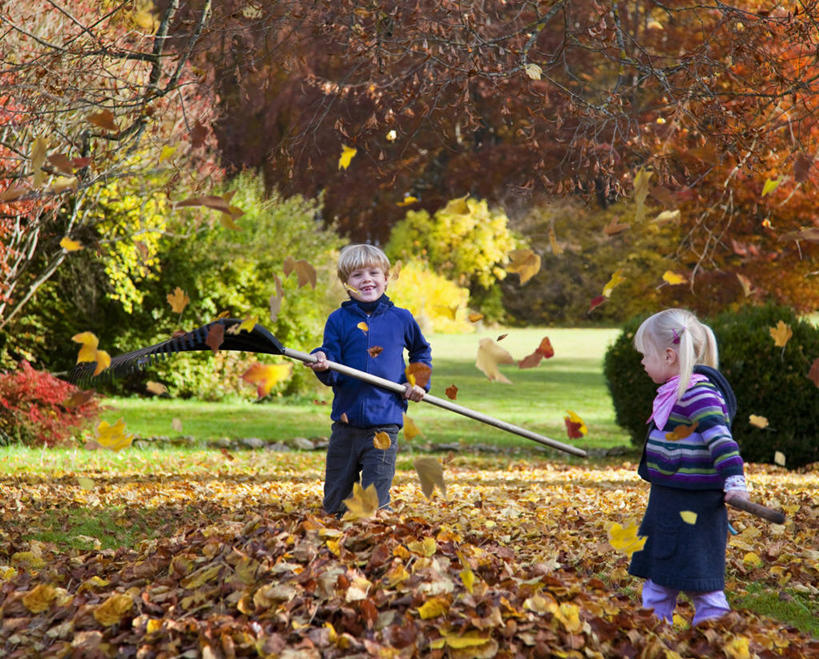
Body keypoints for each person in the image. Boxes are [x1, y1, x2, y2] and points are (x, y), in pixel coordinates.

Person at [628, 308, 749, 626]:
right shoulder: (675, 393)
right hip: (667, 501)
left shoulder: (699, 394)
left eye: (646, 355)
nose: (642, 362)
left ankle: (715, 636)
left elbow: (722, 442)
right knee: (658, 577)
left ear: (668, 355)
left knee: (702, 583)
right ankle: (654, 635)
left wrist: (735, 482)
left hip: (695, 506)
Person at [307, 244, 431, 516]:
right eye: (357, 275)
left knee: (373, 504)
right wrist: (323, 363)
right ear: (346, 283)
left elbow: (421, 350)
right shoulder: (338, 320)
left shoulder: (401, 318)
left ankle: (376, 542)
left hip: (384, 423)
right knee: (335, 506)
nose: (367, 280)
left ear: (386, 278)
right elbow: (332, 363)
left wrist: (418, 382)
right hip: (346, 423)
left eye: (374, 272)